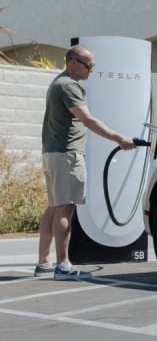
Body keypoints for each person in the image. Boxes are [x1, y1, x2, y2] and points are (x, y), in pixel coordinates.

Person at [35, 45, 135, 280]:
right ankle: (63, 266)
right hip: (67, 155)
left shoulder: (58, 83)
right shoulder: (68, 85)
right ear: (72, 61)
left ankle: (43, 263)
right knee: (65, 207)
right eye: (88, 65)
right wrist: (118, 138)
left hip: (53, 153)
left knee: (53, 206)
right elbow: (86, 119)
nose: (91, 70)